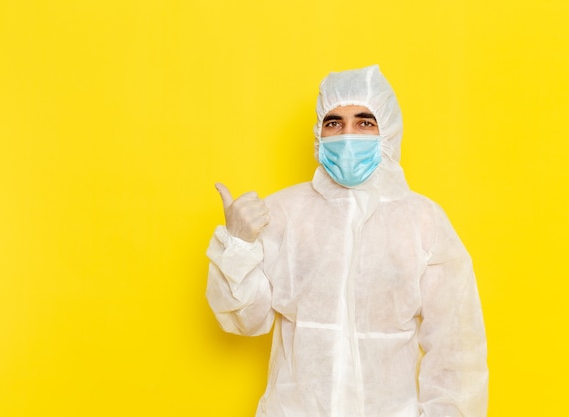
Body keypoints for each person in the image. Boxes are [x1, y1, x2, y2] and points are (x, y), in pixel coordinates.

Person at [206, 65, 488, 417]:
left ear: (388, 130)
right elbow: (246, 321)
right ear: (319, 133)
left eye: (365, 122)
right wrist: (238, 245)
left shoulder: (423, 221)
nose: (348, 134)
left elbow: (456, 351)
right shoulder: (282, 213)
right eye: (334, 123)